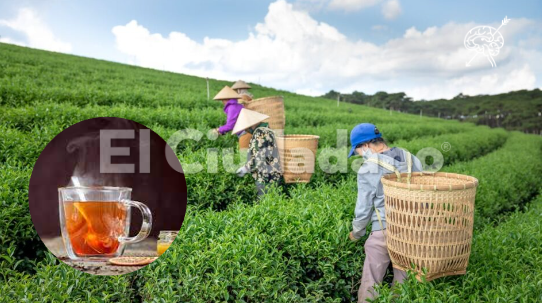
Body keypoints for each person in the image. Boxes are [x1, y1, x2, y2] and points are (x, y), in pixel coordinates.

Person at [347, 123, 423, 303]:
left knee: (371, 281)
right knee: (403, 283)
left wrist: (357, 233)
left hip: (384, 230)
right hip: (412, 229)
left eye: (357, 151)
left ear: (365, 146)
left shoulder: (368, 167)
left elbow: (363, 209)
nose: (359, 156)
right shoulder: (411, 158)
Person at [233, 108, 282, 197]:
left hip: (265, 176)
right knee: (272, 199)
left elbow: (260, 156)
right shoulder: (265, 129)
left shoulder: (261, 132)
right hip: (272, 173)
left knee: (264, 201)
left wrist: (246, 168)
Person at [231, 80, 254, 151]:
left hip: (244, 128)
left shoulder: (241, 98)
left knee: (244, 151)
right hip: (251, 125)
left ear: (238, 90)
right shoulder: (250, 99)